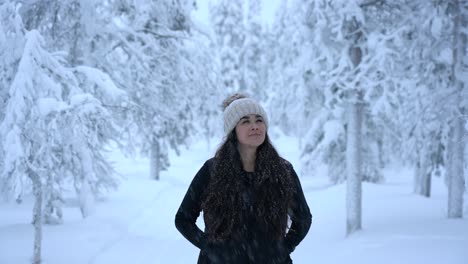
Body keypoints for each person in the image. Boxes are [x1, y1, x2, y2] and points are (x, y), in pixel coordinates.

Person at [175, 93, 312, 264]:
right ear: (233, 131)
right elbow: (183, 219)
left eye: (259, 120)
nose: (255, 126)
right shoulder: (212, 171)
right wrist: (210, 248)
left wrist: (283, 248)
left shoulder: (283, 170)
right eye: (246, 121)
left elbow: (303, 218)